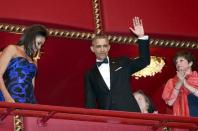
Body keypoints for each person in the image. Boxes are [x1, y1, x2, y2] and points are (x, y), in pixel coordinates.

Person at [84, 17, 150, 112]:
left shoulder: (123, 62)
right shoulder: (90, 74)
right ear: (92, 49)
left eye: (105, 46)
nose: (102, 49)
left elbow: (144, 61)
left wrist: (141, 37)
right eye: (98, 46)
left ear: (109, 47)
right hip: (108, 118)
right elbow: (90, 102)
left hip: (130, 112)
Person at [0, 24, 48, 103]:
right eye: (38, 43)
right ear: (31, 38)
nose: (39, 48)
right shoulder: (12, 49)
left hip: (29, 103)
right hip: (10, 100)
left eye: (41, 45)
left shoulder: (34, 60)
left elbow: (32, 86)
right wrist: (7, 98)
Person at [162, 51, 198, 117]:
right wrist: (179, 83)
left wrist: (186, 85)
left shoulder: (197, 79)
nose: (178, 63)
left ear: (190, 63)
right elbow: (170, 102)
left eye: (181, 60)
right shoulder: (171, 82)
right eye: (176, 62)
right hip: (183, 120)